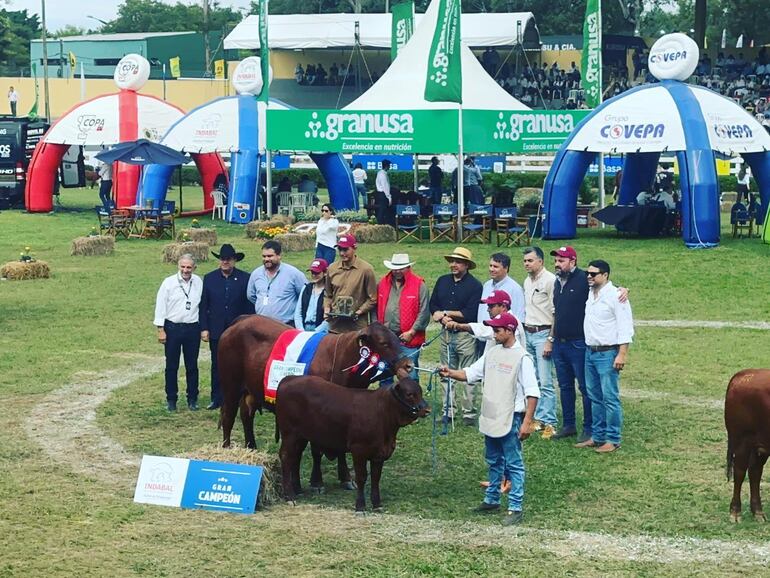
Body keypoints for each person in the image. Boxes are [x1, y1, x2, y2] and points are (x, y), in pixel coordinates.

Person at [439, 311, 539, 526]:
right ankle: (492, 499)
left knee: (513, 463)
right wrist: (450, 373)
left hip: (511, 416)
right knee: (494, 460)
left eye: (497, 330)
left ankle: (515, 506)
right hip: (492, 416)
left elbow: (533, 393)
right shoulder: (492, 353)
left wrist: (527, 422)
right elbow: (470, 373)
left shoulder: (523, 358)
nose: (493, 334)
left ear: (510, 331)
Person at [577, 260, 634, 454]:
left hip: (608, 352)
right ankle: (598, 435)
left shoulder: (616, 296)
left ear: (605, 275)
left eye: (594, 274)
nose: (589, 277)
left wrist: (622, 354)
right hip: (590, 351)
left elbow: (625, 326)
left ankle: (613, 438)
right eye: (588, 273)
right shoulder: (591, 294)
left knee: (610, 397)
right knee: (595, 396)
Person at [429, 247, 484, 425]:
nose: (453, 265)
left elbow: (470, 312)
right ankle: (448, 411)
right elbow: (433, 303)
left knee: (468, 374)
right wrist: (439, 314)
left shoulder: (475, 286)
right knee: (446, 373)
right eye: (452, 261)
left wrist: (444, 313)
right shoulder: (442, 281)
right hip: (445, 333)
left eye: (458, 262)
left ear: (466, 265)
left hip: (464, 335)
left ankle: (469, 413)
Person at [199, 244, 252, 410]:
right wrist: (204, 328)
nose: (225, 262)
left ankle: (240, 397)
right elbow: (203, 305)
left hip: (238, 330)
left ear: (234, 260)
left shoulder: (245, 278)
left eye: (228, 259)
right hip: (216, 329)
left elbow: (249, 305)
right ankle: (217, 397)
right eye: (222, 259)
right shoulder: (209, 278)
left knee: (241, 365)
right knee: (217, 364)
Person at [153, 254, 203, 412]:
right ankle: (171, 399)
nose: (185, 270)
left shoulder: (199, 282)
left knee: (192, 366)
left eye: (189, 267)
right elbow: (160, 306)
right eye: (183, 267)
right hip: (173, 328)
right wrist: (161, 329)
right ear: (178, 266)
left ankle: (192, 398)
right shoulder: (168, 283)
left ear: (194, 268)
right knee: (171, 365)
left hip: (192, 328)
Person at [377, 253, 430, 383]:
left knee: (409, 376)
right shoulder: (382, 283)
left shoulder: (419, 285)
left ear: (408, 268)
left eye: (401, 268)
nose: (397, 271)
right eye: (394, 268)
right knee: (384, 374)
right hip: (387, 338)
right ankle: (386, 402)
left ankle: (410, 403)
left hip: (409, 340)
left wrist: (412, 331)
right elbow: (375, 307)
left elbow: (424, 312)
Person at [522, 246, 558, 439]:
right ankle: (538, 418)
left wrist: (550, 340)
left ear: (541, 261)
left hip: (543, 333)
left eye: (530, 260)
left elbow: (556, 312)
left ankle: (550, 422)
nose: (527, 264)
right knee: (533, 379)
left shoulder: (550, 280)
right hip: (528, 331)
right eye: (525, 261)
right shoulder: (527, 281)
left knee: (545, 381)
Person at [324, 234, 377, 333]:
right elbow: (328, 294)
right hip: (335, 326)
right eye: (340, 250)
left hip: (356, 327)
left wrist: (358, 312)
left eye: (345, 250)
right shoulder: (332, 268)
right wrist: (327, 309)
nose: (342, 253)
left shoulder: (366, 269)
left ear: (354, 248)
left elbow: (372, 298)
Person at [247, 240, 306, 326]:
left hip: (286, 326)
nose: (266, 259)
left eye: (270, 256)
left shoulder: (293, 274)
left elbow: (305, 296)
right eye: (264, 256)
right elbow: (251, 295)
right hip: (262, 326)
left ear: (279, 256)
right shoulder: (256, 274)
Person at [294, 258, 330, 332]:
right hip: (304, 327)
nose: (314, 275)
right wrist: (301, 330)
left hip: (321, 330)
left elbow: (329, 318)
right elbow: (298, 312)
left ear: (325, 273)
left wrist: (316, 331)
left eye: (317, 273)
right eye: (312, 272)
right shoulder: (306, 288)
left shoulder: (329, 291)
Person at [375, 159, 394, 226]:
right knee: (382, 211)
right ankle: (381, 225)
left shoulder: (379, 173)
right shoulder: (383, 174)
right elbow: (385, 186)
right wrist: (389, 197)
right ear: (386, 166)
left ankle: (382, 224)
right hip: (383, 194)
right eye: (389, 166)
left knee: (382, 210)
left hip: (380, 193)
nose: (389, 167)